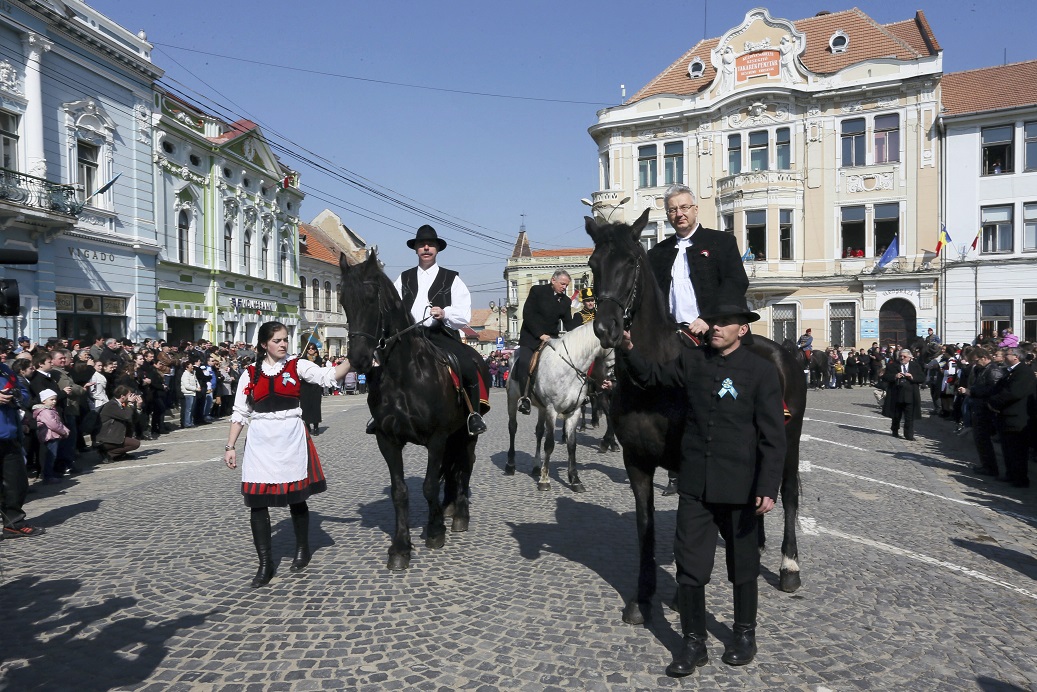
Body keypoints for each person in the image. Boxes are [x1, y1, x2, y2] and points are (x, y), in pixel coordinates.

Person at [619, 302, 785, 676]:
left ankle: (744, 634)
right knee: (690, 567)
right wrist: (629, 349)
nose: (716, 328)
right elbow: (652, 375)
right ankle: (693, 643)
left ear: (742, 329)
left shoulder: (760, 371)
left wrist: (767, 485)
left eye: (725, 323)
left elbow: (773, 436)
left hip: (741, 486)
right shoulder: (692, 361)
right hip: (695, 484)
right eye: (713, 322)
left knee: (743, 565)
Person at [224, 321, 352, 587]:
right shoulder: (250, 373)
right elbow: (240, 412)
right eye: (277, 341)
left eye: (285, 339)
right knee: (257, 502)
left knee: (296, 498)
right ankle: (265, 564)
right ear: (264, 345)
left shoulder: (298, 365)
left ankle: (303, 548)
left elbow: (329, 376)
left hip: (290, 437)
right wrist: (230, 446)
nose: (283, 344)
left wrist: (354, 358)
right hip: (260, 440)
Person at [647, 183, 751, 496]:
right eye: (672, 210)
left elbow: (736, 283)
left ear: (695, 209)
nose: (678, 214)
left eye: (683, 208)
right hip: (671, 334)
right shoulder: (658, 253)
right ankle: (674, 465)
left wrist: (711, 318)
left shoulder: (721, 242)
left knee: (739, 383)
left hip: (712, 329)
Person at [391, 224, 486, 435]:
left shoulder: (452, 278)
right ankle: (383, 413)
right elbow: (393, 308)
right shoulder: (403, 278)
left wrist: (445, 313)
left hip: (441, 335)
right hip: (409, 336)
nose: (426, 248)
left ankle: (473, 414)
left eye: (430, 245)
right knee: (384, 364)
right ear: (416, 249)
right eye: (422, 245)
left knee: (467, 364)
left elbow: (464, 314)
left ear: (437, 249)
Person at [514, 269, 573, 415]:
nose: (564, 287)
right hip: (531, 337)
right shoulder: (537, 291)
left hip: (551, 340)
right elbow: (527, 314)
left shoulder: (566, 301)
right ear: (553, 280)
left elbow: (568, 323)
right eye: (562, 284)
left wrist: (580, 332)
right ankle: (525, 398)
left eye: (566, 285)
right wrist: (540, 334)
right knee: (524, 363)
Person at [1, 339, 44, 536]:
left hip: (10, 434)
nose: (3, 354)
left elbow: (25, 394)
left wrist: (16, 395)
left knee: (17, 482)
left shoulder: (5, 371)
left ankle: (13, 523)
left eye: (4, 351)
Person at [987, 347, 1033, 488]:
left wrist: (995, 402)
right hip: (1006, 415)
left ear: (1016, 357)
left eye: (1007, 354)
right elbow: (998, 388)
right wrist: (991, 400)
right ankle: (1010, 473)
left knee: (1017, 449)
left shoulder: (1023, 372)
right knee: (1007, 448)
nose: (1005, 356)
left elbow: (1013, 393)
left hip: (1017, 416)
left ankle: (1020, 478)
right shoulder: (1010, 371)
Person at [882, 349, 924, 440]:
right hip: (897, 393)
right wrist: (895, 376)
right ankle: (895, 430)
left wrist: (912, 377)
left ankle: (909, 435)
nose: (902, 358)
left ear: (909, 357)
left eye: (904, 356)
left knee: (909, 416)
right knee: (896, 415)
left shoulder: (915, 366)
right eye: (900, 356)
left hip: (910, 394)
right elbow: (885, 377)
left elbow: (922, 378)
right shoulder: (892, 365)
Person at [95, 385, 142, 462]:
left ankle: (120, 454)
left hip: (115, 436)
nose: (131, 397)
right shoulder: (112, 405)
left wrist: (138, 407)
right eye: (129, 395)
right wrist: (130, 403)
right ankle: (108, 453)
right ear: (122, 396)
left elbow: (133, 420)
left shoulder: (122, 404)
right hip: (106, 439)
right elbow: (126, 416)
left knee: (129, 426)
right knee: (136, 444)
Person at [300, 342, 324, 435]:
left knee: (315, 406)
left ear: (315, 350)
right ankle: (307, 424)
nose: (310, 350)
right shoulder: (302, 360)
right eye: (309, 348)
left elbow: (319, 370)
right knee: (305, 406)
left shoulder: (319, 359)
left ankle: (316, 426)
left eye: (313, 348)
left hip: (315, 385)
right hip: (305, 385)